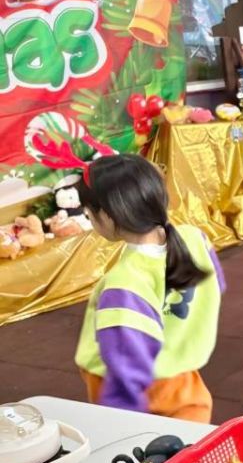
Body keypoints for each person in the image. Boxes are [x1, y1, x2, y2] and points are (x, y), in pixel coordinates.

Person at [75, 154, 224, 423]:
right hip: (185, 383)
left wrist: (118, 422)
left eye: (89, 215)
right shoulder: (194, 238)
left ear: (107, 215)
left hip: (139, 393)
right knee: (193, 443)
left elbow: (126, 363)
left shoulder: (124, 281)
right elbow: (216, 287)